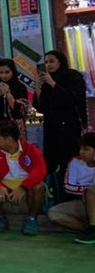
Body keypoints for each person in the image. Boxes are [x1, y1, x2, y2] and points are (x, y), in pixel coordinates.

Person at [35, 49, 89, 203]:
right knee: (51, 162)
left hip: (69, 127)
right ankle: (55, 197)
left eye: (51, 61)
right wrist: (38, 88)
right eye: (46, 62)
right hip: (52, 127)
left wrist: (53, 84)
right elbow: (41, 108)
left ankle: (73, 197)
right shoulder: (46, 80)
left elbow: (71, 100)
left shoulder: (72, 76)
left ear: (60, 62)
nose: (48, 65)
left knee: (69, 160)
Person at [0, 120, 47, 236]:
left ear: (10, 140)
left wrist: (24, 187)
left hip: (25, 193)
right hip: (4, 191)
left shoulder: (30, 149)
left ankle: (32, 219)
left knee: (39, 186)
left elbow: (40, 170)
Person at [47, 133, 95, 234]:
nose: (82, 152)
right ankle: (87, 229)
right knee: (53, 213)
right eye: (80, 148)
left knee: (91, 192)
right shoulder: (75, 161)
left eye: (86, 149)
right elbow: (68, 186)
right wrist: (86, 191)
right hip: (81, 204)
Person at [0, 58, 30, 151]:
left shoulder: (20, 87)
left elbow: (20, 110)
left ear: (13, 71)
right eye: (1, 72)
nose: (4, 75)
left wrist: (8, 94)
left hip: (14, 129)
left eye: (7, 72)